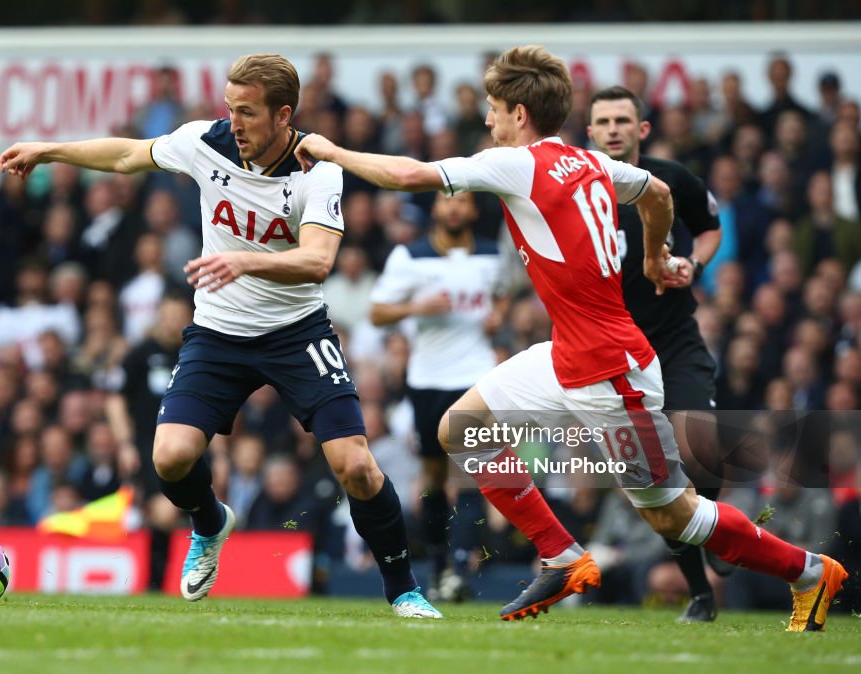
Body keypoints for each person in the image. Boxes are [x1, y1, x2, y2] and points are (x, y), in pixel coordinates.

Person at [295, 44, 848, 631]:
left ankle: (811, 571)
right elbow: (658, 194)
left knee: (675, 517)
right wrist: (658, 255)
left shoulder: (517, 163)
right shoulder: (592, 163)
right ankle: (561, 555)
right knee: (460, 429)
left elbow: (409, 175)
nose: (487, 121)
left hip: (612, 373)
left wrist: (330, 150)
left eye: (492, 110)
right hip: (569, 354)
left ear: (519, 113)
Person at [0, 53, 440, 618]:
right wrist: (50, 148)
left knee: (355, 465)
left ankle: (403, 590)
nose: (234, 122)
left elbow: (318, 261)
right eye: (230, 109)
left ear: (284, 115)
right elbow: (129, 154)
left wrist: (245, 263)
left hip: (295, 332)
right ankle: (209, 523)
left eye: (248, 113)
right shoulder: (205, 143)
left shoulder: (317, 169)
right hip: (218, 333)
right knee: (171, 458)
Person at [586, 85, 723, 622]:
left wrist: (694, 263)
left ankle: (716, 530)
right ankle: (700, 592)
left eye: (624, 119)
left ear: (642, 129)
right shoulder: (578, 189)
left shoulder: (673, 180)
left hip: (672, 339)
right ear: (590, 132)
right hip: (615, 353)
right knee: (655, 481)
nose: (614, 128)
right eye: (604, 121)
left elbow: (710, 229)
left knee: (703, 445)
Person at [369, 189, 507, 600]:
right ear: (436, 208)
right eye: (448, 200)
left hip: (475, 375)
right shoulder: (409, 256)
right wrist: (416, 308)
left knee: (471, 472)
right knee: (432, 477)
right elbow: (377, 312)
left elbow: (502, 292)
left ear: (473, 209)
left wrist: (498, 312)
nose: (454, 207)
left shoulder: (491, 254)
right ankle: (440, 567)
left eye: (462, 200)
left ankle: (461, 565)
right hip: (427, 377)